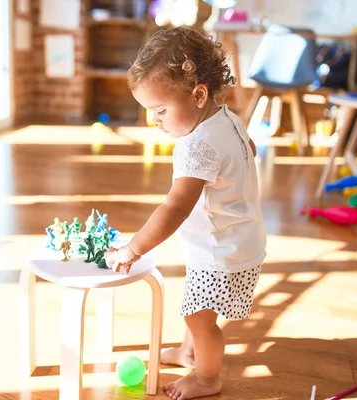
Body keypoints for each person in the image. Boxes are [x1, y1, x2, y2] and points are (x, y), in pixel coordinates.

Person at [104, 26, 266, 400]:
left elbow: (175, 207)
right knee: (198, 306)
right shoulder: (227, 118)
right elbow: (250, 149)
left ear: (198, 94)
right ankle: (186, 351)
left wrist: (134, 248)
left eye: (160, 110)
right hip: (238, 239)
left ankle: (207, 378)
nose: (155, 120)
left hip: (220, 251)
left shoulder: (196, 147)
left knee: (200, 316)